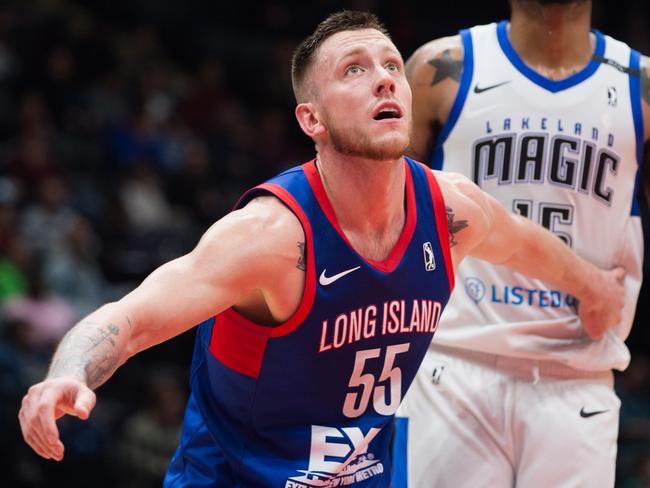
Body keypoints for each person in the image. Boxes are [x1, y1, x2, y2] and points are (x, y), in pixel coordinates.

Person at [19, 10, 626, 487]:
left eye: (390, 64)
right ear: (311, 120)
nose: (385, 75)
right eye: (354, 69)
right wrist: (65, 375)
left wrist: (594, 288)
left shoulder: (449, 209)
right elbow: (131, 319)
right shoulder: (272, 238)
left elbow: (526, 245)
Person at [393, 1, 648, 486]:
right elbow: (379, 216)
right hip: (452, 366)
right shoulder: (441, 68)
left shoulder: (640, 85)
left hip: (577, 375)